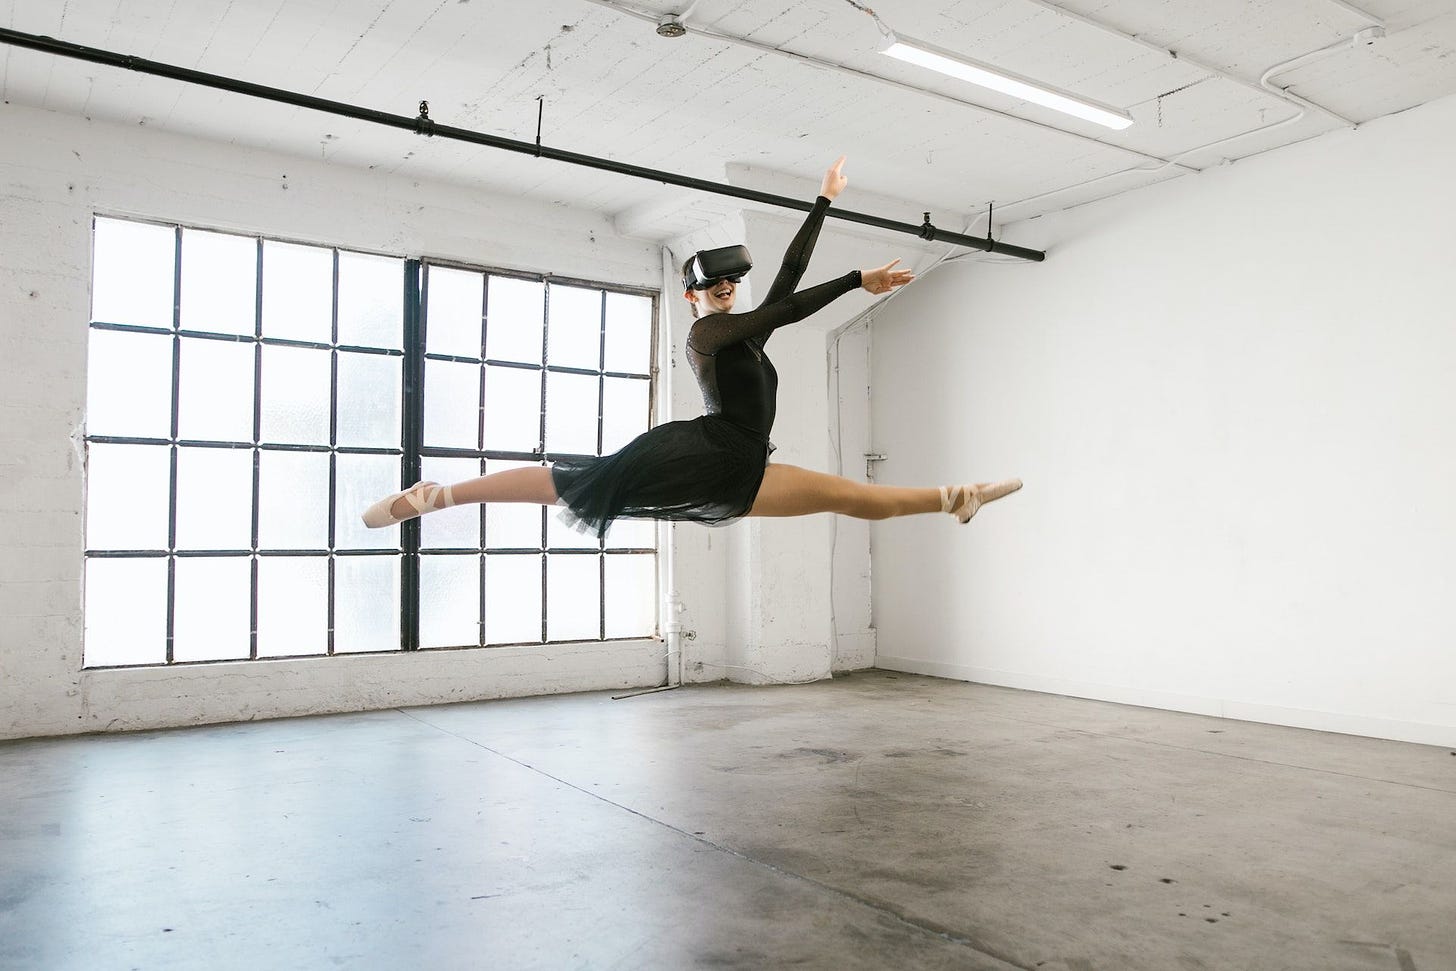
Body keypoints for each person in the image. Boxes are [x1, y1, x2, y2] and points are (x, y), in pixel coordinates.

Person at [363, 156, 1021, 533]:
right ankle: (438, 494)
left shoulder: (746, 330)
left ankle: (954, 497)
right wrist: (856, 278)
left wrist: (822, 201)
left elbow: (786, 282)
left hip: (742, 464)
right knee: (575, 483)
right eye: (717, 283)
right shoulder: (706, 334)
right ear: (694, 295)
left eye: (735, 281)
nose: (730, 288)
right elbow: (790, 305)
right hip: (703, 450)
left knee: (847, 497)